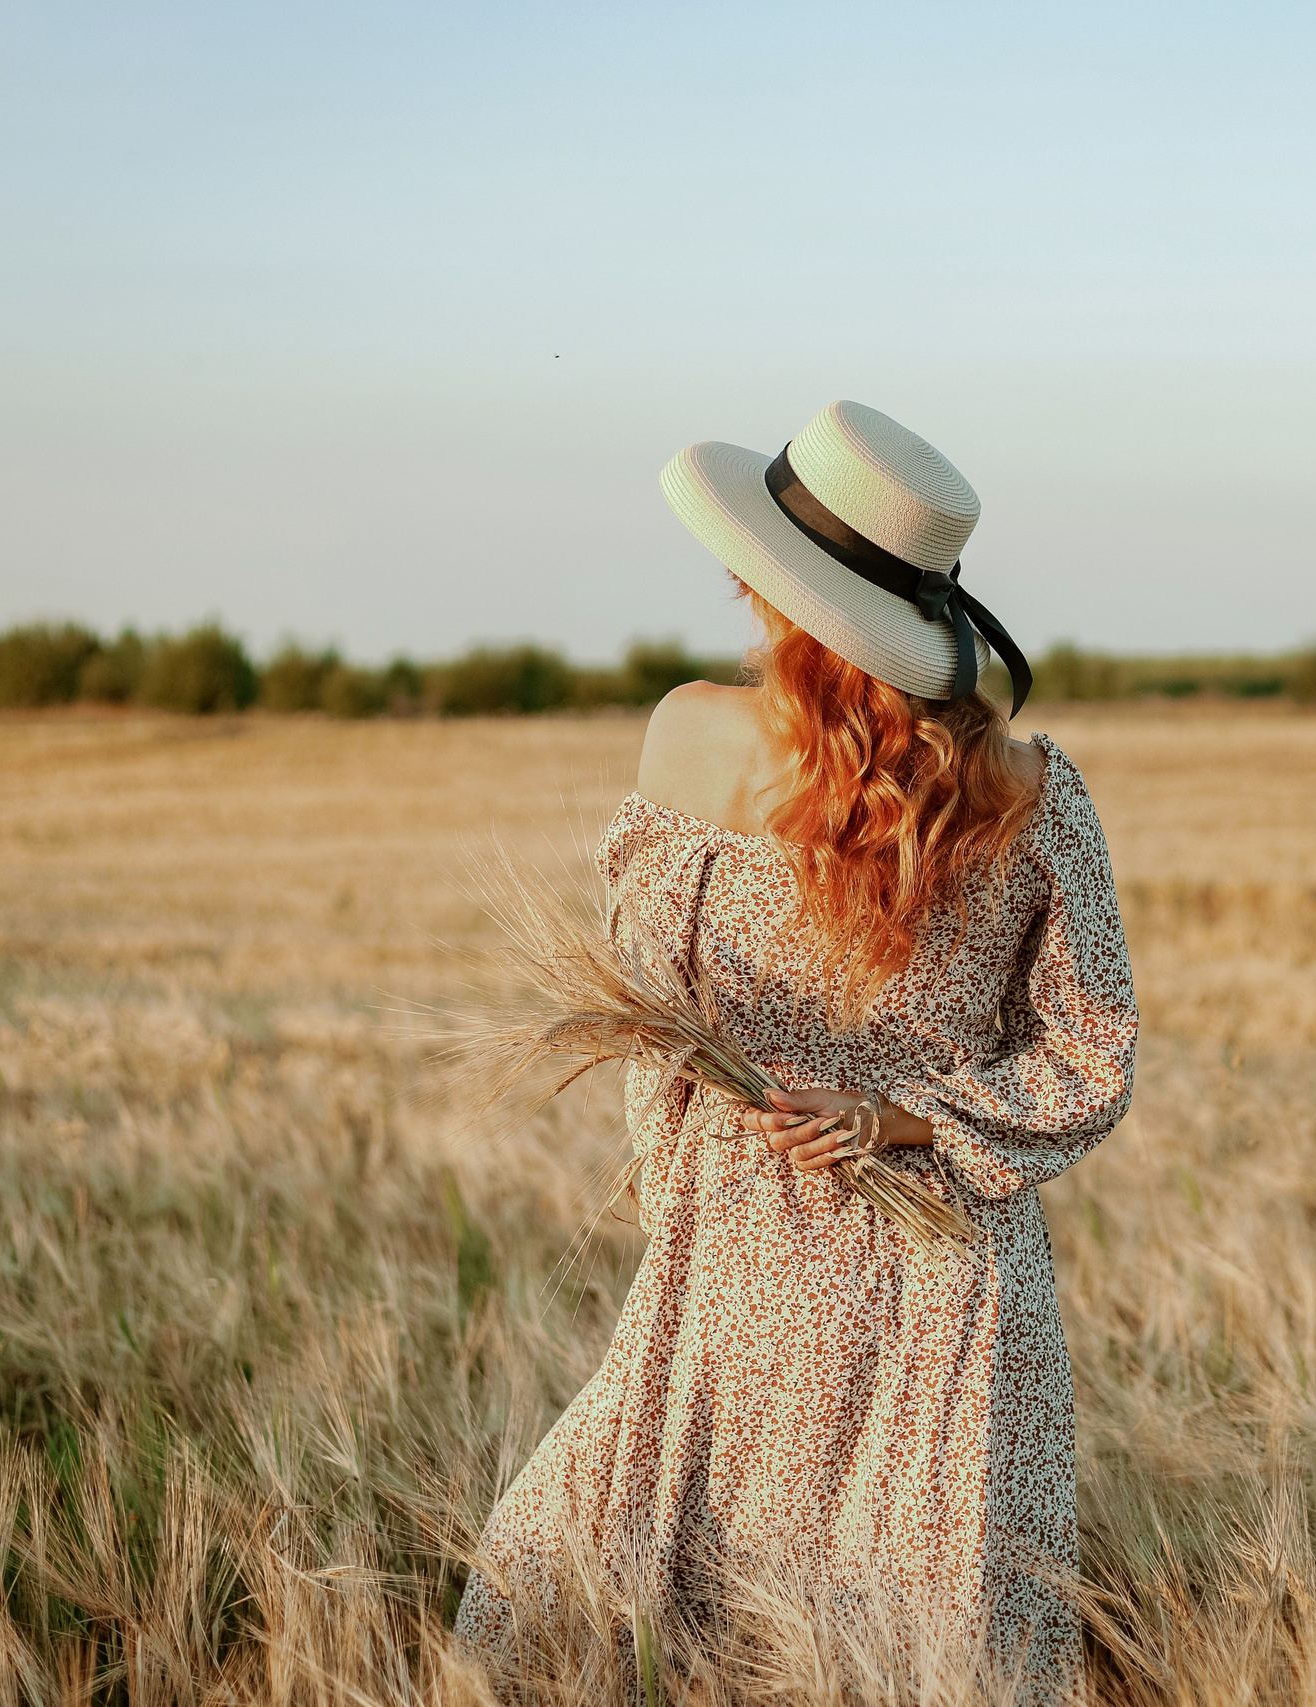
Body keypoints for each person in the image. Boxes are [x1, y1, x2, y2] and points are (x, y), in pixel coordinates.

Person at [454, 401, 1139, 1693]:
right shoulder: (1031, 788)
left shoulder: (689, 734)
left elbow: (656, 1019)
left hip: (742, 1253)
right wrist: (894, 1118)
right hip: (952, 1281)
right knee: (924, 1647)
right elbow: (1091, 1058)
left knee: (578, 1600)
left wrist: (693, 1184)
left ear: (761, 576)